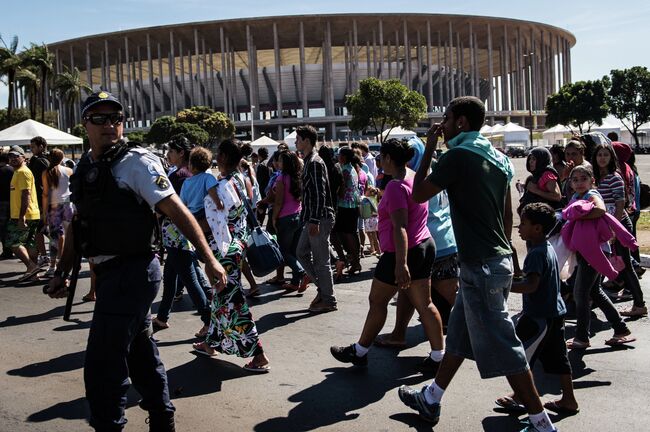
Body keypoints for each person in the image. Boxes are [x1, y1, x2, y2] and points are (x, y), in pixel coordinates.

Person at [46, 91, 227, 432]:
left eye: (116, 118)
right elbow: (77, 225)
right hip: (110, 273)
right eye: (99, 119)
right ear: (85, 124)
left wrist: (209, 258)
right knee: (140, 353)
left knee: (102, 363)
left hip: (135, 272)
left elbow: (177, 211)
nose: (109, 125)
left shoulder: (137, 162)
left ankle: (109, 425)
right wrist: (61, 272)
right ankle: (162, 419)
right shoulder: (85, 167)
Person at [398, 96, 558, 432]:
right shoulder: (499, 158)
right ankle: (431, 398)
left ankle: (541, 422)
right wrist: (511, 259)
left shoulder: (457, 156)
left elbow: (418, 195)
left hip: (481, 265)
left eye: (446, 117)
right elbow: (507, 214)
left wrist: (428, 146)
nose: (441, 124)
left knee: (506, 346)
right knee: (457, 335)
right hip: (493, 260)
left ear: (461, 122)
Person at [330, 139, 443, 370]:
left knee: (377, 300)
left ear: (390, 158)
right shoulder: (413, 176)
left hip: (402, 251)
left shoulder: (395, 186)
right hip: (424, 244)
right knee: (425, 304)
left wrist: (401, 264)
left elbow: (400, 226)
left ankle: (360, 352)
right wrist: (430, 144)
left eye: (381, 157)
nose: (379, 161)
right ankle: (438, 357)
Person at [193, 138, 270, 373]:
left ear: (224, 158)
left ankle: (258, 355)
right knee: (221, 297)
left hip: (225, 249)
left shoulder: (223, 185)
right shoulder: (242, 179)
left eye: (219, 154)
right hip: (239, 245)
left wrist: (189, 225)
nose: (216, 157)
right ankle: (209, 343)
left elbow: (215, 222)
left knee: (232, 300)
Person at [495, 203, 578, 416]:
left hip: (538, 317)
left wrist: (502, 286)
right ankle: (569, 400)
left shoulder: (536, 253)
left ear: (538, 228)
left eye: (523, 223)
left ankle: (523, 396)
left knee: (520, 358)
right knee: (559, 358)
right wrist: (513, 258)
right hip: (554, 314)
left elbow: (531, 286)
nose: (519, 227)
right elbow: (531, 277)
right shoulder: (545, 247)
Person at [562, 165, 634, 350]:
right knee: (595, 292)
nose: (579, 183)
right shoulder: (575, 197)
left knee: (580, 294)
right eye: (575, 180)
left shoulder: (591, 195)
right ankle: (620, 329)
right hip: (585, 250)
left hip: (596, 251)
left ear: (592, 180)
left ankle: (582, 337)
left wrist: (577, 218)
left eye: (583, 178)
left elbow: (600, 210)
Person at [153, 135, 212, 338]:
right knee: (170, 276)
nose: (168, 155)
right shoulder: (187, 174)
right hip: (180, 231)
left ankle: (209, 319)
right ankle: (162, 317)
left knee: (189, 278)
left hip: (176, 230)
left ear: (181, 153)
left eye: (171, 151)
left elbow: (169, 204)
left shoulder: (179, 175)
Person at [591, 144, 645, 316]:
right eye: (599, 154)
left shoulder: (615, 177)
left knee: (626, 266)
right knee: (621, 265)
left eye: (606, 155)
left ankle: (639, 304)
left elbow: (620, 204)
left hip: (618, 225)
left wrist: (615, 230)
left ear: (611, 158)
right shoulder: (596, 177)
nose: (602, 158)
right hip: (605, 225)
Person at [295, 125, 338, 313]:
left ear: (306, 140)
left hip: (319, 218)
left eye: (298, 139)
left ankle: (328, 299)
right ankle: (323, 290)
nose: (296, 142)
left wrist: (314, 220)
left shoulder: (314, 162)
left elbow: (319, 194)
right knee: (301, 252)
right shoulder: (310, 160)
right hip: (314, 217)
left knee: (321, 261)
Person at [272, 151, 308, 291]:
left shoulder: (281, 178)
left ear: (285, 163)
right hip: (299, 216)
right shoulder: (299, 177)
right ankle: (295, 281)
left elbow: (279, 202)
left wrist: (274, 218)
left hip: (286, 218)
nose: (277, 163)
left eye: (280, 161)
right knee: (293, 251)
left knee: (282, 251)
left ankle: (300, 272)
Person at [7, 145, 42, 281]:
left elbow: (26, 194)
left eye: (16, 156)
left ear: (23, 157)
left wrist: (21, 216)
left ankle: (31, 266)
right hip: (30, 214)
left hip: (22, 215)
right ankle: (34, 273)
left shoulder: (23, 172)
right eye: (10, 156)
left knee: (12, 242)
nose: (13, 158)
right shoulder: (19, 172)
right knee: (30, 243)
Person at [41, 148, 74, 277]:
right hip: (68, 206)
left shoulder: (46, 172)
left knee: (54, 238)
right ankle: (67, 265)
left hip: (53, 207)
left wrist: (44, 212)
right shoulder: (69, 171)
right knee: (70, 237)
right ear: (62, 158)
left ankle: (52, 266)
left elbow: (45, 194)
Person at [333, 146, 361, 274]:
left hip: (346, 205)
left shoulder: (344, 170)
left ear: (343, 157)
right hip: (353, 204)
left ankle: (354, 262)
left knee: (347, 234)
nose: (337, 157)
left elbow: (342, 190)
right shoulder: (353, 167)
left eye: (339, 155)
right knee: (351, 233)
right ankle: (354, 261)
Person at [27, 136, 50, 265]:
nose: (31, 149)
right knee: (43, 229)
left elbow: (41, 184)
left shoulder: (40, 161)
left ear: (41, 146)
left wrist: (41, 204)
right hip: (42, 200)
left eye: (33, 147)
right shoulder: (45, 160)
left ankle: (46, 256)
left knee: (39, 230)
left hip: (41, 201)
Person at [518, 147, 562, 213]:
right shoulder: (537, 174)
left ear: (542, 160)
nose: (530, 161)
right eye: (530, 158)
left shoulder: (547, 174)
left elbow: (557, 197)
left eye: (534, 159)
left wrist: (536, 190)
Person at [0, 150, 14, 259]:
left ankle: (7, 250)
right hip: (14, 201)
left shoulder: (1, 171)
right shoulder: (13, 170)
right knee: (12, 226)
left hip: (2, 202)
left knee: (3, 227)